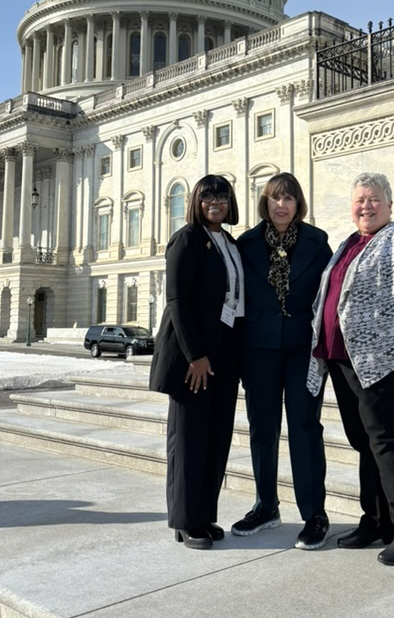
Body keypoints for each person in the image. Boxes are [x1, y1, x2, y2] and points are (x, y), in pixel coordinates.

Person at [307, 172, 394, 566]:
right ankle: (376, 520)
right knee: (364, 443)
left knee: (388, 445)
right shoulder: (348, 244)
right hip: (343, 361)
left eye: (374, 199)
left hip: (381, 362)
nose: (366, 205)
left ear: (389, 204)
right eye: (360, 200)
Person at [231, 173, 333, 549]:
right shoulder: (246, 244)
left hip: (303, 351)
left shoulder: (317, 242)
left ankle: (314, 514)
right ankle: (266, 505)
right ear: (265, 202)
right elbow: (236, 301)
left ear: (298, 203)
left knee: (305, 429)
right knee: (263, 428)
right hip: (258, 351)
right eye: (275, 198)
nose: (281, 205)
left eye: (289, 198)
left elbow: (328, 297)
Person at [150, 174, 244, 549]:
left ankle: (203, 514)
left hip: (224, 355)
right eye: (207, 197)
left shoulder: (230, 243)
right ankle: (185, 520)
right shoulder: (187, 239)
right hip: (195, 359)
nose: (215, 202)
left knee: (216, 437)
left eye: (221, 196)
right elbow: (176, 301)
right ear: (196, 202)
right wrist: (196, 356)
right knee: (188, 440)